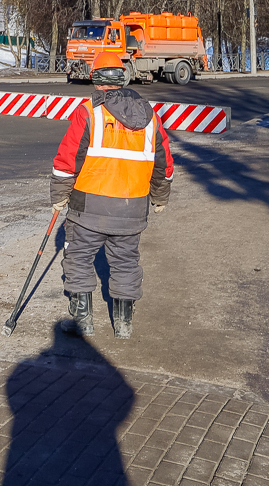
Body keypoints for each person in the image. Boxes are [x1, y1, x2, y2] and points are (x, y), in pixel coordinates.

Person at [50, 50, 174, 339]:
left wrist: (59, 195)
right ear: (122, 78)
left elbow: (67, 162)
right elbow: (163, 164)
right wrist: (160, 197)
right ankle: (124, 325)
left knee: (78, 258)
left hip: (87, 208)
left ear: (95, 80)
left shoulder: (88, 113)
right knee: (126, 262)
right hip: (132, 208)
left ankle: (83, 323)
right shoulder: (149, 117)